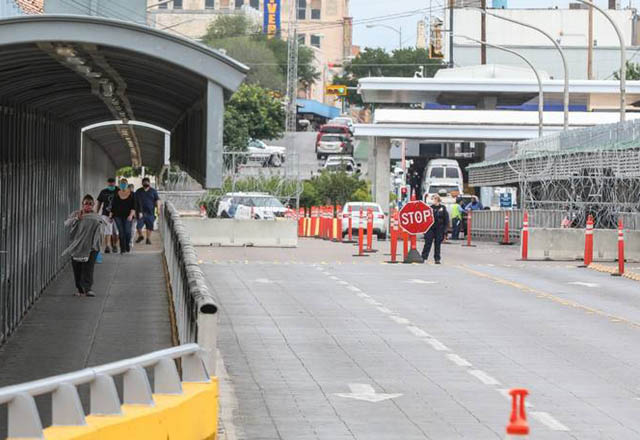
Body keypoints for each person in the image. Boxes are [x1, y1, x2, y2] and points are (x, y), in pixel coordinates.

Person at [63, 195, 106, 297]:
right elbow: (66, 223)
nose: (88, 206)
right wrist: (76, 218)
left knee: (88, 267)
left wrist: (97, 244)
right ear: (82, 204)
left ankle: (88, 289)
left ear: (93, 205)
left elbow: (102, 228)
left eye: (90, 204)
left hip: (92, 246)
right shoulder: (76, 214)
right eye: (86, 203)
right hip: (77, 246)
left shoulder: (96, 217)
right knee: (77, 268)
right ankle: (80, 289)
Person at [422, 194, 449, 264]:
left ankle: (437, 259)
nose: (433, 200)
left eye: (434, 199)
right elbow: (426, 219)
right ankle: (423, 257)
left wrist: (445, 230)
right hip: (430, 228)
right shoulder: (430, 208)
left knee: (437, 244)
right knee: (428, 242)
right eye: (432, 199)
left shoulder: (443, 208)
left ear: (437, 200)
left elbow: (446, 219)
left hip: (439, 228)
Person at [111, 178, 136, 254]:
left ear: (127, 184)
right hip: (117, 216)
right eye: (121, 183)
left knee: (127, 232)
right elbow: (113, 206)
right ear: (119, 185)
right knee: (121, 232)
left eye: (124, 183)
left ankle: (127, 245)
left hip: (128, 216)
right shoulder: (116, 194)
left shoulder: (132, 194)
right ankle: (122, 248)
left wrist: (131, 215)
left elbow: (134, 206)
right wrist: (110, 215)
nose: (123, 185)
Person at [96, 177, 119, 254]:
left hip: (117, 214)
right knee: (107, 231)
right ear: (107, 183)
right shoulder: (103, 192)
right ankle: (107, 246)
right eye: (109, 184)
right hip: (105, 213)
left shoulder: (119, 191)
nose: (111, 186)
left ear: (114, 183)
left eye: (112, 184)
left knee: (116, 231)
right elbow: (99, 202)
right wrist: (96, 212)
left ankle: (115, 245)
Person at [135, 177, 160, 245]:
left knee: (149, 227)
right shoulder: (138, 191)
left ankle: (148, 239)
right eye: (144, 182)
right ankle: (141, 236)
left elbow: (157, 200)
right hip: (140, 212)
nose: (145, 183)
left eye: (147, 182)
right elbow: (135, 202)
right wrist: (135, 211)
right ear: (142, 183)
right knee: (138, 226)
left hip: (150, 212)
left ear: (149, 183)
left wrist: (158, 209)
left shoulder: (153, 191)